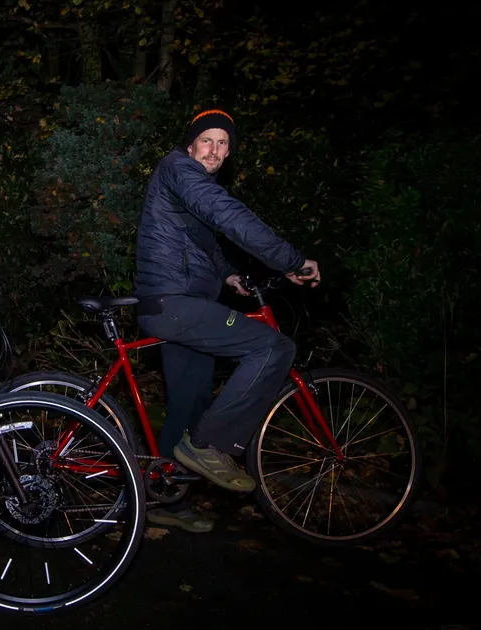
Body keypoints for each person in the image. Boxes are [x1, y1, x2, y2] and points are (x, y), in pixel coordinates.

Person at [133, 109, 320, 531]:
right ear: (190, 145)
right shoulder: (178, 167)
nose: (214, 150)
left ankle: (166, 499)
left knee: (189, 402)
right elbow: (227, 216)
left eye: (223, 144)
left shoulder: (190, 184)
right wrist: (291, 259)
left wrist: (228, 276)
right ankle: (208, 445)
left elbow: (201, 245)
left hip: (178, 303)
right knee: (274, 347)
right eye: (207, 141)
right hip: (176, 304)